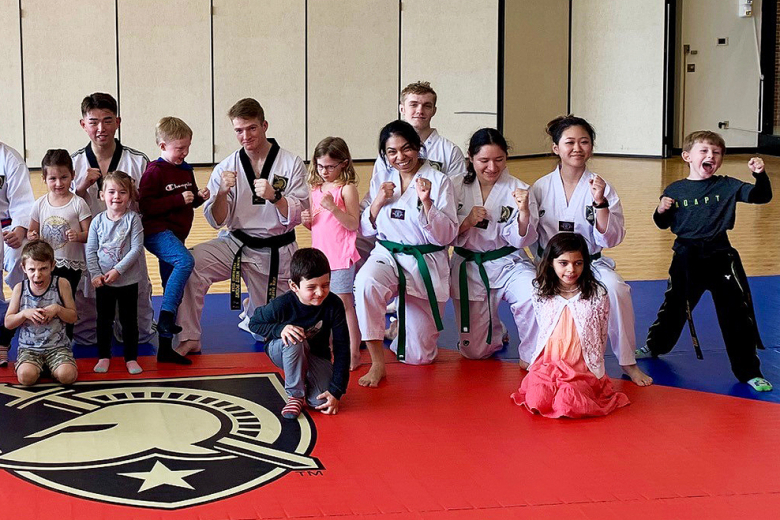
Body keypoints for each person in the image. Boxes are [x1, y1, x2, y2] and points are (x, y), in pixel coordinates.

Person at [524, 115, 653, 387]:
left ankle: (628, 362)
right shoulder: (540, 187)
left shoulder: (600, 186)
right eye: (569, 142)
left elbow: (612, 237)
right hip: (552, 265)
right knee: (529, 292)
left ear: (591, 147)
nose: (577, 148)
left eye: (584, 142)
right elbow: (530, 234)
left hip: (589, 263)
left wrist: (600, 202)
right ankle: (535, 355)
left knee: (617, 290)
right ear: (555, 148)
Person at [638, 131, 772, 392]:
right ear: (687, 156)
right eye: (704, 151)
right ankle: (655, 346)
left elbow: (761, 196)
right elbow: (662, 224)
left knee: (736, 315)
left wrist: (760, 174)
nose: (711, 156)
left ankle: (749, 372)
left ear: (721, 159)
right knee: (675, 305)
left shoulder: (727, 185)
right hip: (686, 258)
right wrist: (661, 210)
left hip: (721, 255)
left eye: (716, 153)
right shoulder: (676, 189)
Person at [175, 98, 308, 356]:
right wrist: (222, 193)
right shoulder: (227, 166)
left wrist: (276, 197)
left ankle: (252, 308)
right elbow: (216, 219)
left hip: (275, 252)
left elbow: (300, 213)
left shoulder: (291, 163)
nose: (245, 136)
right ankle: (190, 337)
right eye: (239, 130)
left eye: (252, 128)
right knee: (189, 264)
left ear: (264, 125)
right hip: (234, 244)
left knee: (264, 331)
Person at [356, 81, 467, 339]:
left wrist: (427, 203)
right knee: (360, 264)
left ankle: (404, 319)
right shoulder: (387, 154)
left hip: (427, 234)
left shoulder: (448, 152)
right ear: (402, 108)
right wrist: (371, 212)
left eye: (426, 105)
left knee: (420, 355)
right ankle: (363, 323)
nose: (420, 110)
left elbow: (456, 197)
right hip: (391, 233)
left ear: (434, 110)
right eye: (414, 105)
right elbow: (376, 193)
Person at [354, 120, 458, 387]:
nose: (400, 157)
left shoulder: (439, 180)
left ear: (418, 147)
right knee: (366, 282)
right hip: (387, 253)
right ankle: (378, 362)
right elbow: (365, 228)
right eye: (392, 152)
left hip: (425, 259)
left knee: (419, 358)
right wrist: (377, 201)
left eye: (407, 149)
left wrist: (427, 203)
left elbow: (447, 236)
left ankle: (398, 326)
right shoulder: (383, 178)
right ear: (385, 154)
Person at [511, 233, 630, 418]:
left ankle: (573, 390)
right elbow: (542, 329)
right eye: (563, 263)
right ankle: (550, 387)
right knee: (537, 400)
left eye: (578, 263)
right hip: (548, 365)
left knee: (568, 402)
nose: (571, 270)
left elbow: (600, 332)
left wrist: (596, 368)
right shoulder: (540, 292)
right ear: (551, 262)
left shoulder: (597, 294)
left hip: (581, 369)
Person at [71, 92, 156, 346]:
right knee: (86, 335)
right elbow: (61, 207)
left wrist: (137, 196)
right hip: (89, 248)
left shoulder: (138, 161)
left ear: (118, 122)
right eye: (93, 121)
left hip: (128, 247)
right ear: (83, 124)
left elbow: (149, 207)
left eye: (107, 120)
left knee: (139, 332)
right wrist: (80, 188)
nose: (101, 128)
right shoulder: (73, 163)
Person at [451, 128, 538, 359]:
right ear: (470, 157)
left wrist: (524, 213)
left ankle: (532, 354)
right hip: (469, 265)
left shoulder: (520, 189)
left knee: (533, 293)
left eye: (499, 160)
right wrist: (467, 221)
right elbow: (441, 234)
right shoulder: (454, 186)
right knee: (474, 352)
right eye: (484, 160)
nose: (492, 167)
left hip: (510, 262)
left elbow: (525, 239)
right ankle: (496, 331)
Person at [139, 117, 209, 365]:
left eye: (187, 147)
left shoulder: (186, 169)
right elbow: (145, 206)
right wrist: (179, 200)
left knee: (173, 286)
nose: (184, 152)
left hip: (177, 234)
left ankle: (166, 348)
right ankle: (166, 318)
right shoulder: (154, 172)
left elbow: (189, 199)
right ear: (162, 146)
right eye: (179, 148)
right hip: (157, 232)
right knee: (184, 261)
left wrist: (199, 197)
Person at [249, 248, 349, 419]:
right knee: (295, 337)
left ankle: (305, 378)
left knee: (319, 402)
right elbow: (254, 323)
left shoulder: (334, 304)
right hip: (282, 350)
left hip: (316, 355)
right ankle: (295, 394)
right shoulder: (282, 304)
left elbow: (342, 347)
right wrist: (280, 330)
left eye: (325, 285)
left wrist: (336, 391)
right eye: (312, 287)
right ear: (294, 286)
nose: (320, 292)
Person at [301, 137, 362, 370]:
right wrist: (306, 221)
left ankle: (354, 352)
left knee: (345, 305)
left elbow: (353, 224)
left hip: (341, 256)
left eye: (330, 166)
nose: (324, 171)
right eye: (320, 166)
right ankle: (327, 348)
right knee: (322, 305)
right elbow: (318, 226)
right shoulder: (315, 189)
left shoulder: (347, 189)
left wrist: (334, 208)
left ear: (343, 164)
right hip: (320, 257)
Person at [27, 150, 91, 339]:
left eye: (64, 177)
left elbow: (90, 234)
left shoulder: (78, 203)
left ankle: (65, 342)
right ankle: (44, 339)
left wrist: (78, 235)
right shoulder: (39, 204)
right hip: (46, 265)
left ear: (72, 175)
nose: (59, 183)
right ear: (44, 179)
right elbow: (32, 232)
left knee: (65, 304)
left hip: (70, 264)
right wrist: (32, 236)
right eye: (53, 178)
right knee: (44, 301)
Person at [86, 171, 145, 374]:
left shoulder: (133, 220)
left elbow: (136, 249)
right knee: (104, 320)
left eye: (122, 192)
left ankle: (131, 358)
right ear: (102, 195)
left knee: (129, 321)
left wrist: (118, 270)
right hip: (104, 282)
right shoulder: (97, 222)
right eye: (111, 192)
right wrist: (95, 274)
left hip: (128, 281)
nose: (117, 196)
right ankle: (104, 356)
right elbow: (91, 250)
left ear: (130, 196)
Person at [5, 240, 78, 386]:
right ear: (24, 268)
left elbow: (73, 317)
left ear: (52, 266)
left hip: (58, 348)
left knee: (67, 376)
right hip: (29, 349)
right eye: (32, 269)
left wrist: (58, 309)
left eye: (43, 268)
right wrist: (24, 313)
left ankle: (53, 368)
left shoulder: (61, 284)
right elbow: (8, 323)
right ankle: (37, 368)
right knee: (26, 378)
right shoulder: (20, 288)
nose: (37, 275)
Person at [0, 141, 35, 366]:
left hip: (8, 226)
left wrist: (20, 229)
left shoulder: (9, 158)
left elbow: (23, 202)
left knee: (19, 259)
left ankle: (22, 318)